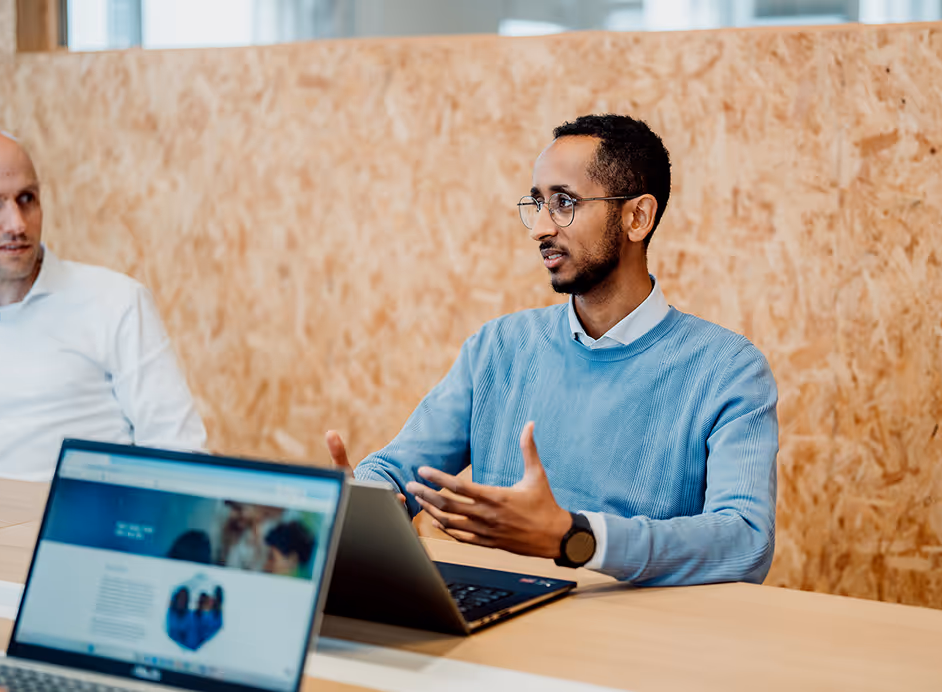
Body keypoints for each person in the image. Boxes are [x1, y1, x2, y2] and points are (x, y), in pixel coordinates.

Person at [326, 114, 778, 586]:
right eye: (537, 203)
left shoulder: (729, 369)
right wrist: (368, 498)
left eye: (564, 202)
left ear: (637, 217)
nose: (539, 228)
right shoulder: (498, 347)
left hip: (635, 644)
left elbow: (746, 541)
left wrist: (573, 537)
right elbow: (396, 470)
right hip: (495, 625)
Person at [0, 126, 206, 481]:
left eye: (27, 198)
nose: (16, 223)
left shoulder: (116, 303)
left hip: (70, 532)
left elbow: (178, 450)